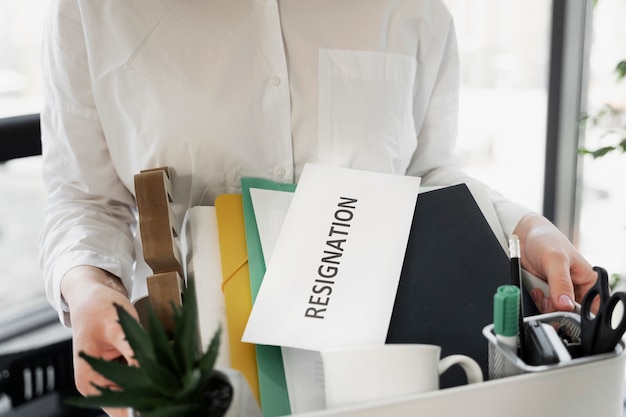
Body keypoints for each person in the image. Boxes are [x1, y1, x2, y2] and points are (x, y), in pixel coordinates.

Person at [39, 0, 597, 416]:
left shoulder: (415, 8)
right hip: (201, 381)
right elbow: (85, 198)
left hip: (387, 381)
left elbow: (429, 172)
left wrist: (527, 229)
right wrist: (91, 289)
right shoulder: (93, 11)